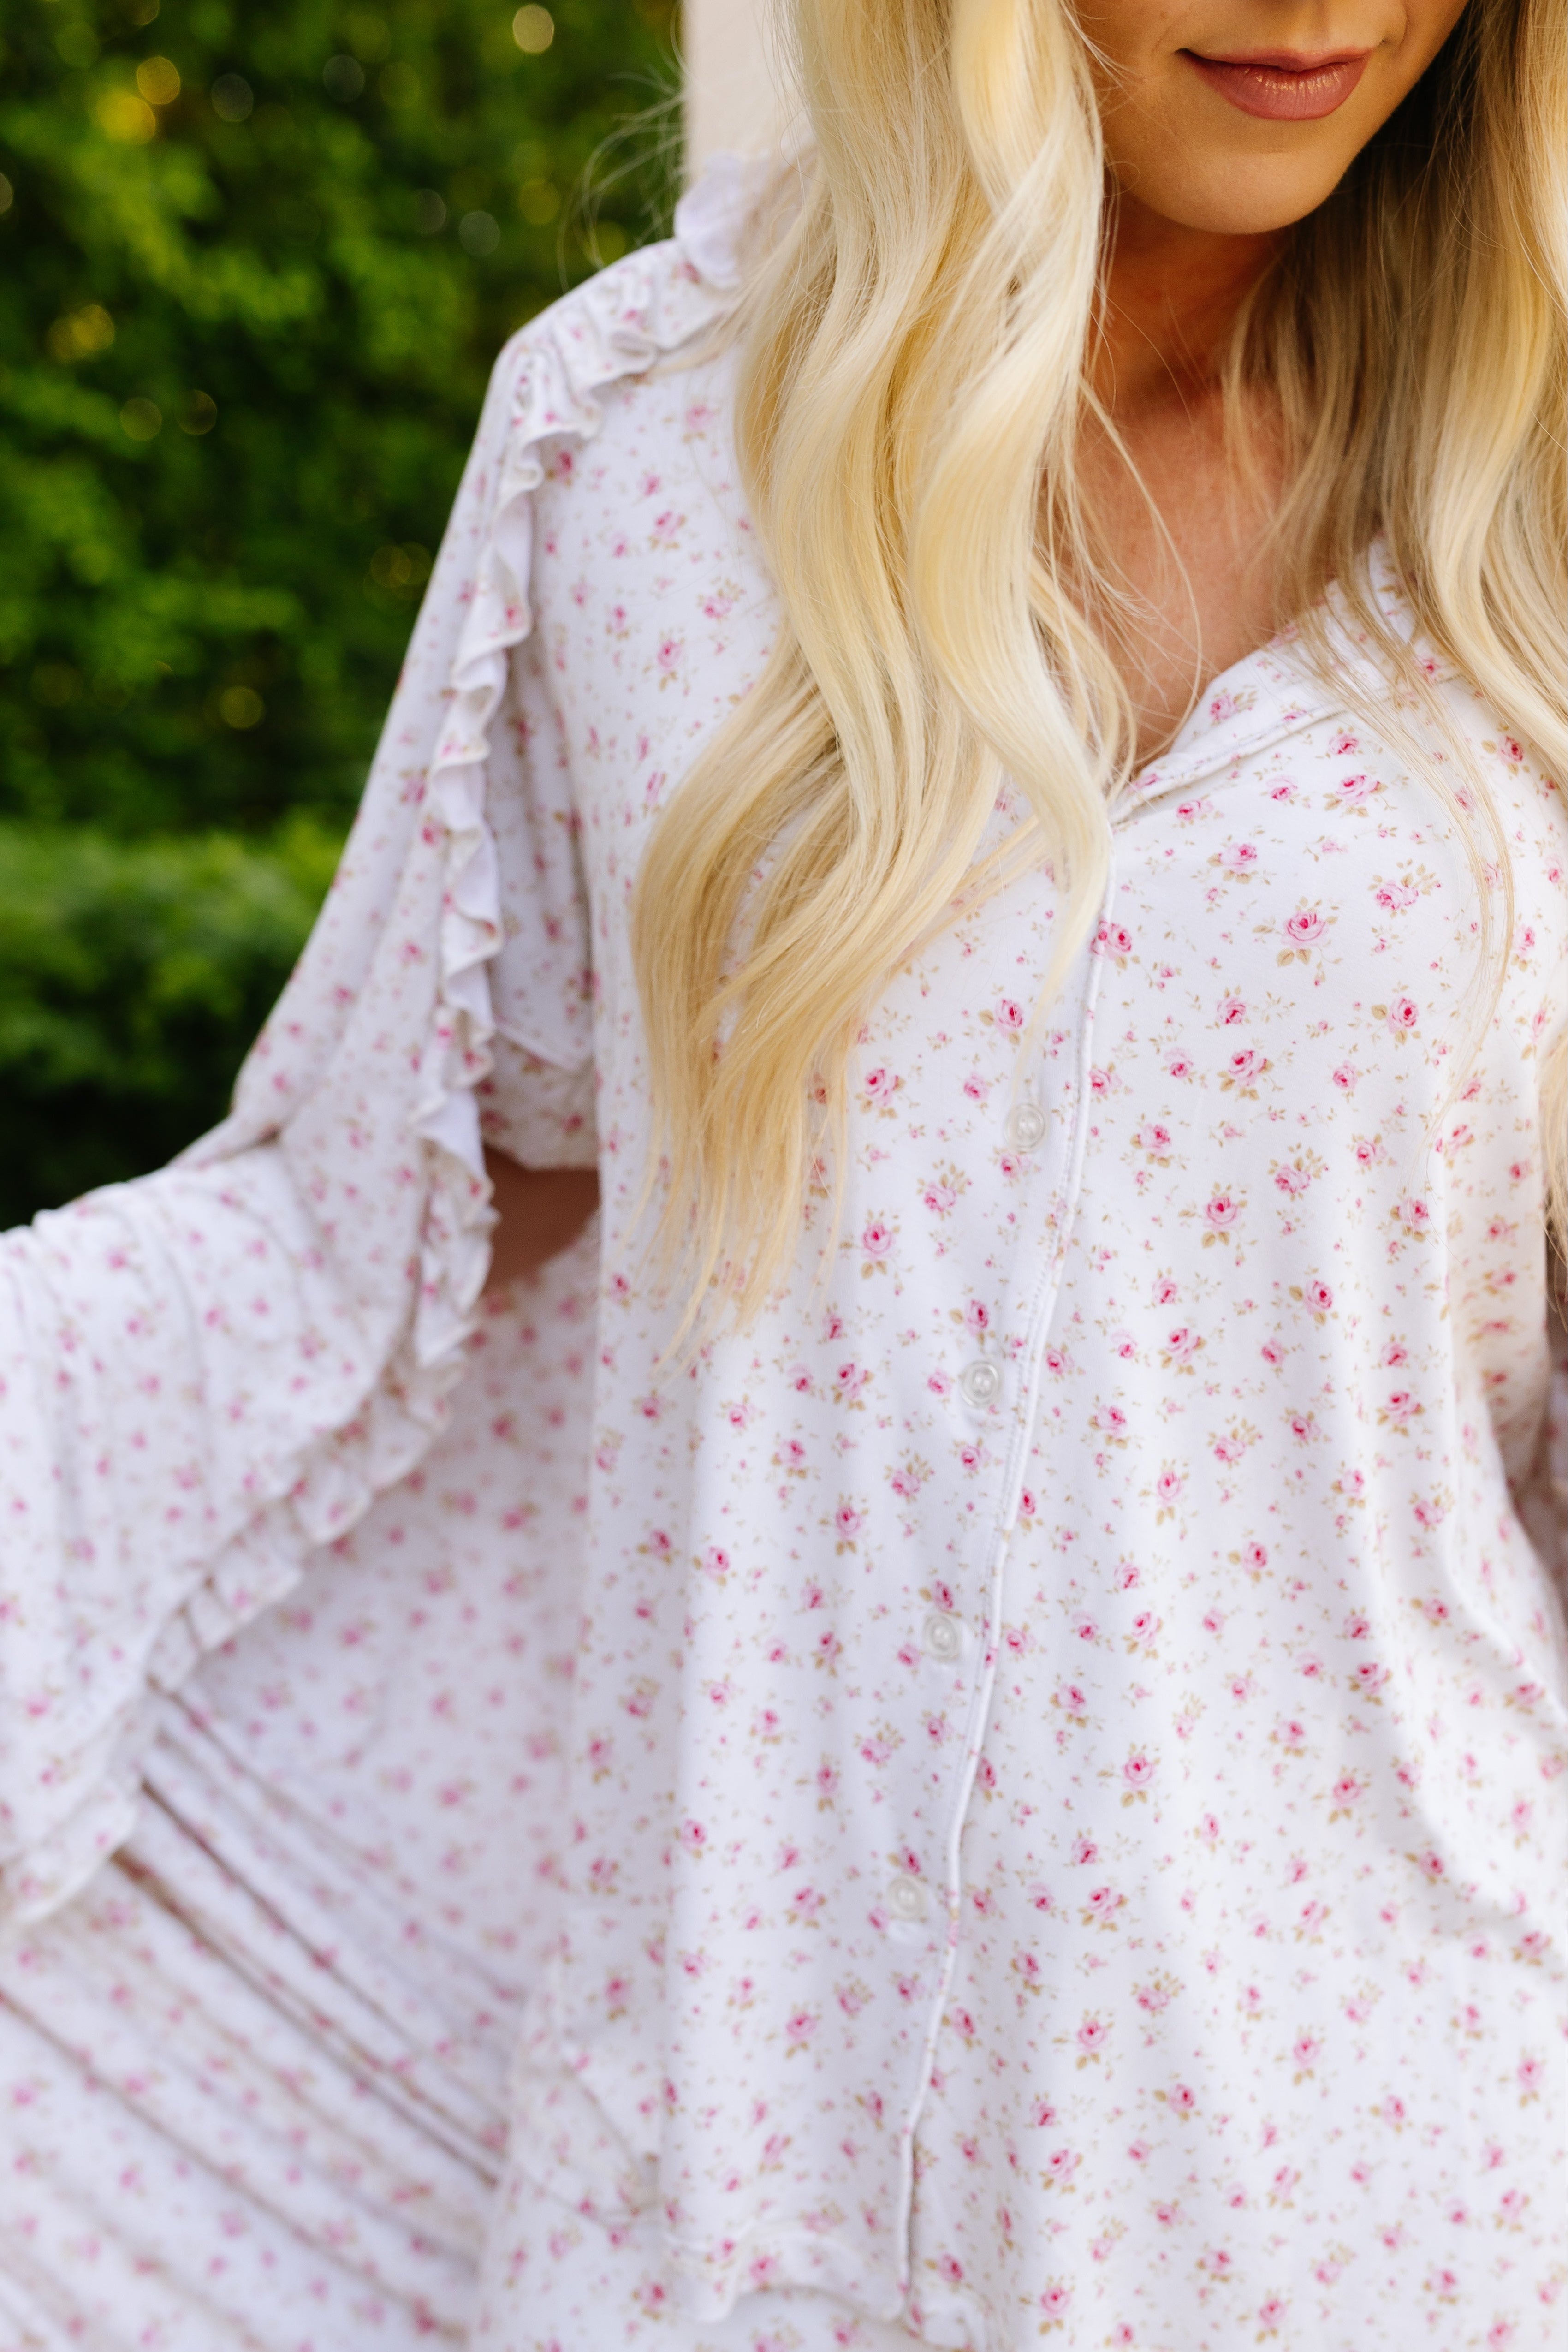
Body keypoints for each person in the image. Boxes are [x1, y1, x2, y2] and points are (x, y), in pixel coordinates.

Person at [0, 0, 1562, 2342]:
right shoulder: (635, 442)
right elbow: (363, 1228)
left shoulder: (1540, 503)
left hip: (1392, 2188)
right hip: (727, 2188)